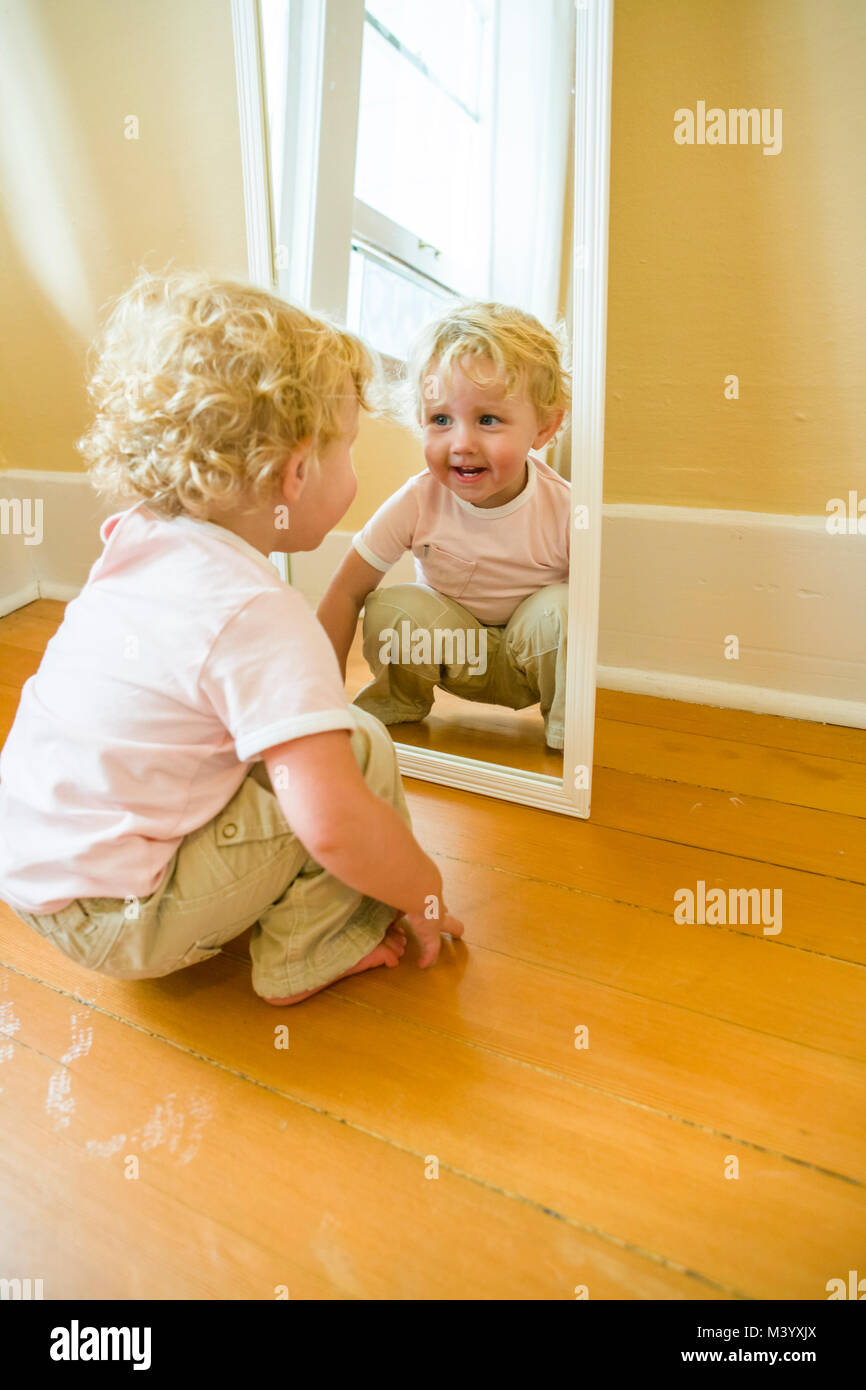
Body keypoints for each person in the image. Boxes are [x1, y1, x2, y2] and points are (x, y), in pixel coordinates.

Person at [0, 269, 463, 1005]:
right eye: (347, 450)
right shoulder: (262, 614)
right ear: (297, 472)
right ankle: (309, 952)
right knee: (358, 746)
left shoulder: (140, 540)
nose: (353, 468)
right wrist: (425, 887)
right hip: (121, 918)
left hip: (32, 872)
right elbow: (335, 825)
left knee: (297, 748)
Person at [318, 301, 572, 749]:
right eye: (441, 420)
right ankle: (399, 701)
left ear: (544, 429)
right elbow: (345, 591)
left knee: (564, 609)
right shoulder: (419, 500)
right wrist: (317, 701)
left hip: (528, 665)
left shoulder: (566, 508)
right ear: (421, 422)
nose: (461, 444)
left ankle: (566, 725)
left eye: (488, 420)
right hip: (455, 657)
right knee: (393, 605)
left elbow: (595, 615)